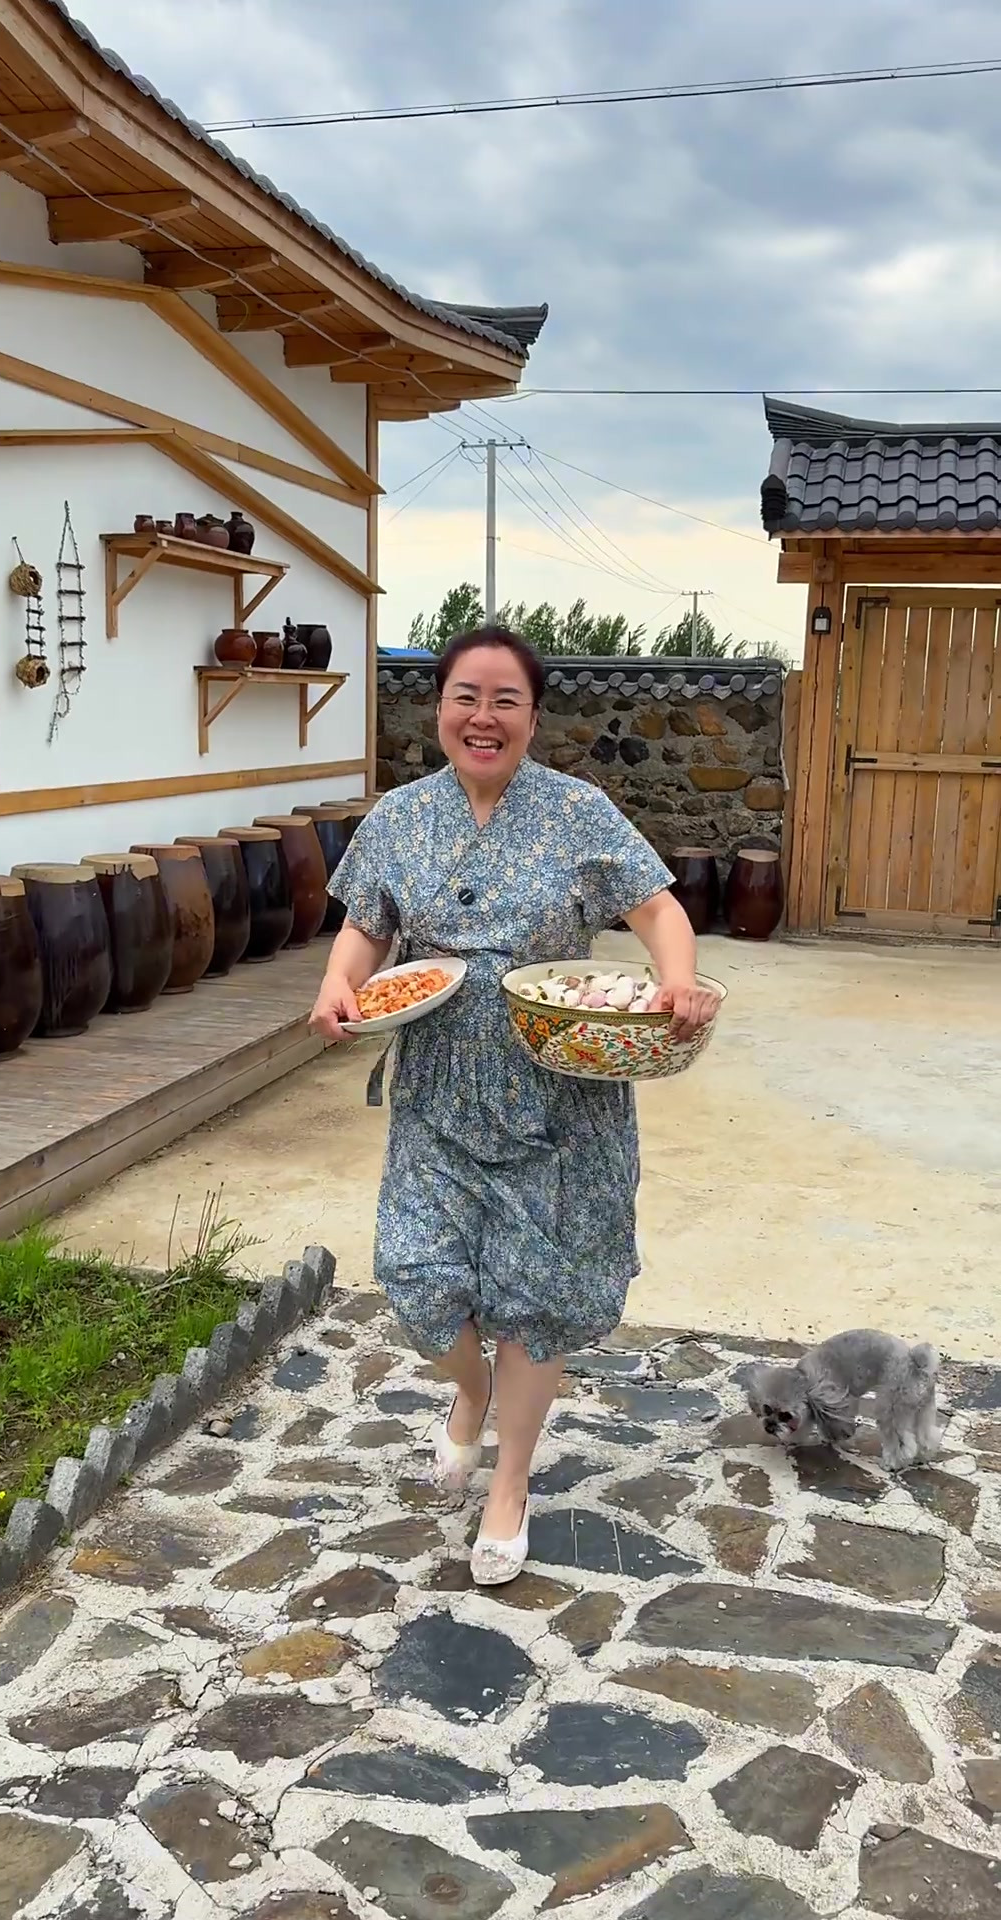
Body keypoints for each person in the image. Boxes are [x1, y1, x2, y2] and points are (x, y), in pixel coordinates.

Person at [309, 627, 720, 1585]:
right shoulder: (400, 818)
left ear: (533, 718)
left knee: (533, 1297)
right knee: (417, 1279)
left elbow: (657, 910)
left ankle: (511, 1484)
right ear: (438, 708)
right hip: (440, 1086)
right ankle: (470, 1393)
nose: (482, 717)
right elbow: (363, 930)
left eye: (505, 700)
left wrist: (680, 982)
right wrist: (339, 987)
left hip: (560, 1081)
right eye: (465, 696)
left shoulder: (579, 811)